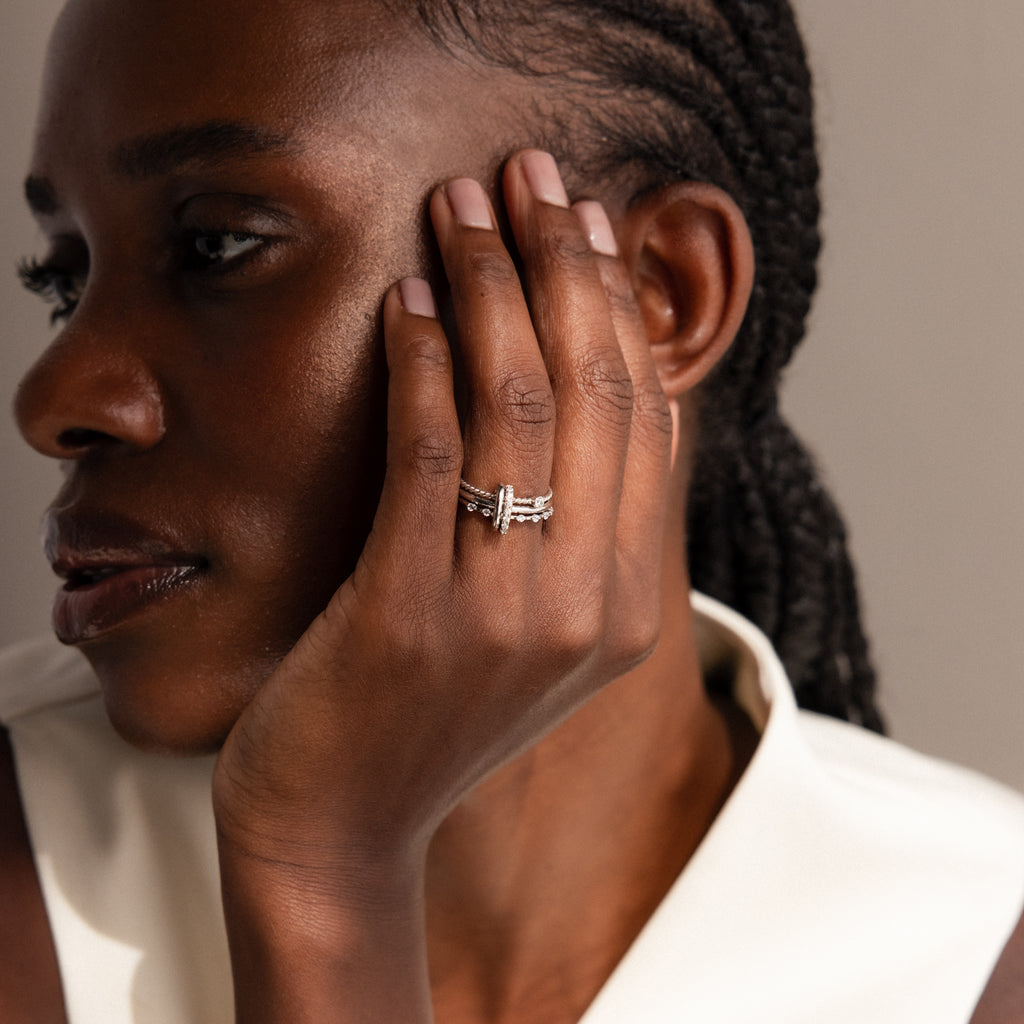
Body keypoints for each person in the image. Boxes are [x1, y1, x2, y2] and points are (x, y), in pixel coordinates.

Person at [2, 0, 1023, 1021]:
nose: (55, 401)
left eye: (219, 245)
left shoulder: (978, 945)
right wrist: (323, 872)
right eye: (65, 280)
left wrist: (330, 867)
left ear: (658, 291)